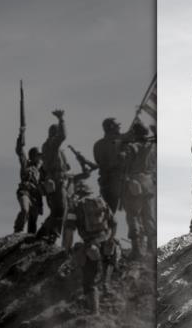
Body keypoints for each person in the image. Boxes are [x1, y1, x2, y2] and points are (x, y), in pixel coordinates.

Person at [67, 182, 117, 314]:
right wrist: (110, 238)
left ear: (78, 192)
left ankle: (95, 312)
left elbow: (69, 230)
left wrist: (66, 250)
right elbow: (114, 223)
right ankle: (106, 283)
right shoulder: (102, 202)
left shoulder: (75, 206)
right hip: (107, 243)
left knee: (89, 281)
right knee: (109, 258)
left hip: (91, 245)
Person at [120, 121, 157, 259]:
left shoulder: (131, 147)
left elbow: (123, 165)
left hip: (134, 183)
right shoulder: (153, 146)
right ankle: (151, 248)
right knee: (148, 216)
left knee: (133, 215)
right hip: (148, 183)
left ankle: (137, 250)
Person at [36, 110, 70, 245]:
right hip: (55, 180)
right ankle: (53, 235)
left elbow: (66, 167)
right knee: (60, 209)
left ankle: (43, 232)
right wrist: (61, 119)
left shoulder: (53, 148)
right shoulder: (51, 144)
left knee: (58, 209)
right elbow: (63, 136)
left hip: (57, 180)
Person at [14, 127, 45, 234]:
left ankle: (29, 241)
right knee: (25, 210)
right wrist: (21, 135)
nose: (40, 158)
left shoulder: (43, 171)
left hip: (36, 197)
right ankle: (17, 231)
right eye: (38, 156)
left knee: (33, 222)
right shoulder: (26, 164)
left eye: (41, 156)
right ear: (33, 157)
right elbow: (20, 151)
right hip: (25, 191)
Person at [93, 118, 125, 213]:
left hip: (104, 182)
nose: (119, 127)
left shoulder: (98, 144)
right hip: (116, 182)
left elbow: (98, 160)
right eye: (117, 126)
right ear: (111, 127)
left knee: (109, 212)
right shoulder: (119, 141)